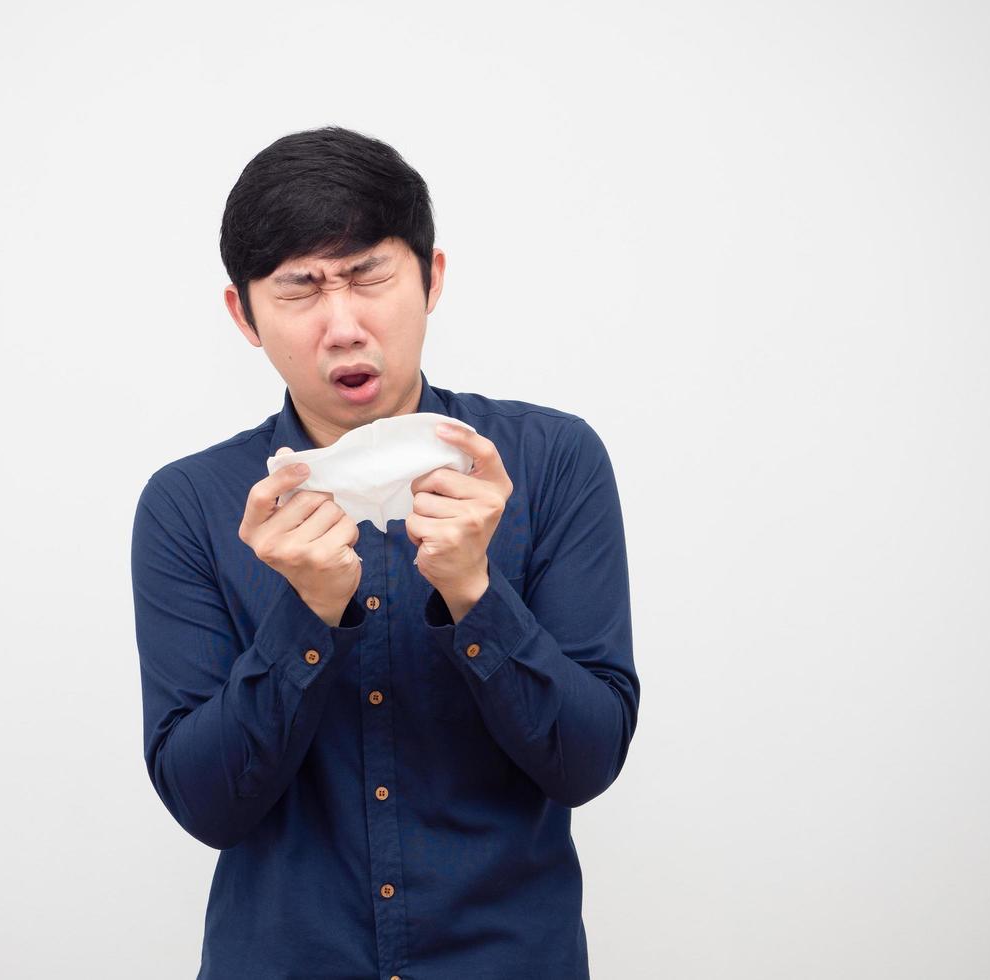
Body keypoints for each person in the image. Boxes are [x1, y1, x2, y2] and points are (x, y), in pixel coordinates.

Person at [130, 125, 639, 980]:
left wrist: (474, 592)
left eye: (369, 275)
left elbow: (585, 762)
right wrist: (307, 612)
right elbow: (207, 805)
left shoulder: (550, 463)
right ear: (243, 314)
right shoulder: (189, 505)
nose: (341, 325)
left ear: (430, 278)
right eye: (299, 289)